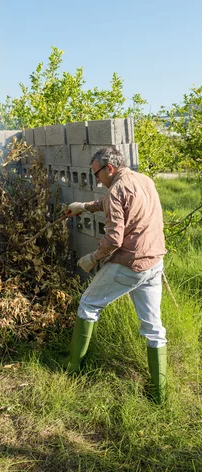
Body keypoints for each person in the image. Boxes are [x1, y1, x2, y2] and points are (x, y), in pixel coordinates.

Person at [65, 146, 167, 404]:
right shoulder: (143, 180)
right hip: (154, 262)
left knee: (88, 304)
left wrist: (92, 258)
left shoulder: (115, 190)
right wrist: (84, 206)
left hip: (129, 264)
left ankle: (73, 367)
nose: (96, 179)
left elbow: (113, 239)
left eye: (97, 174)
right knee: (153, 328)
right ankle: (159, 393)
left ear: (109, 168)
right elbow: (115, 204)